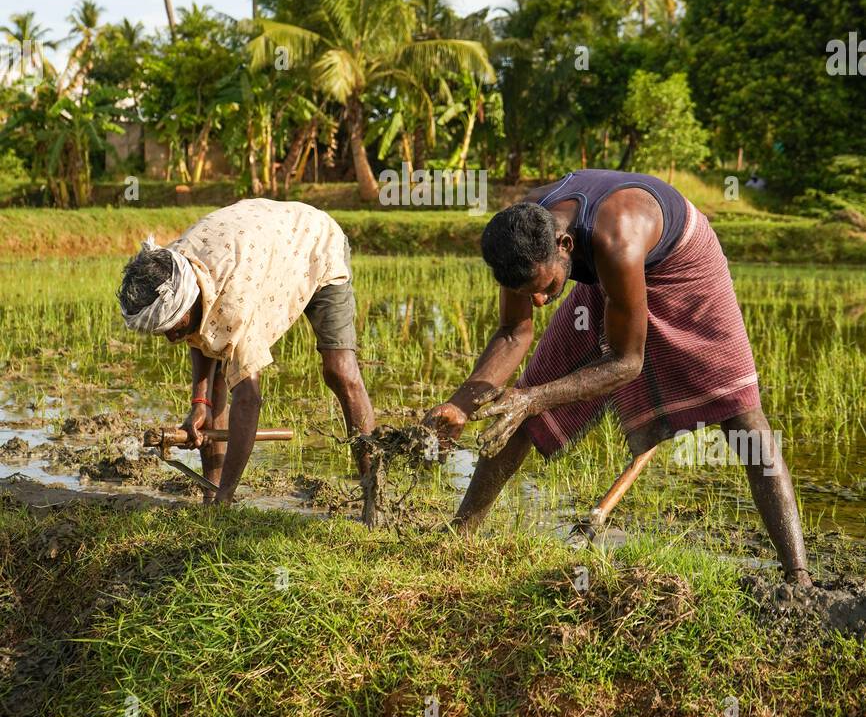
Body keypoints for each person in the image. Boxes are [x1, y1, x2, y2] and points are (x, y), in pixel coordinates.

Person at [425, 169, 811, 585]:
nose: (537, 300)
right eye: (526, 292)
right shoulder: (521, 235)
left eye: (546, 287)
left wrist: (533, 398)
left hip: (683, 266)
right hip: (605, 275)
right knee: (517, 408)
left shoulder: (616, 237)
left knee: (742, 419)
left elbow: (628, 363)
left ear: (565, 244)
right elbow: (513, 332)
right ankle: (459, 533)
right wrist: (461, 405)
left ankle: (799, 575)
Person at [118, 199, 375, 505]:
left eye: (174, 326)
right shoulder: (172, 267)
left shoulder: (234, 303)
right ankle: (211, 496)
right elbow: (200, 336)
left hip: (316, 244)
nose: (173, 338)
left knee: (340, 371)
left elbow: (249, 399)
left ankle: (374, 493)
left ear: (189, 299)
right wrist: (200, 403)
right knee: (212, 392)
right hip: (260, 241)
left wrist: (231, 490)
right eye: (164, 332)